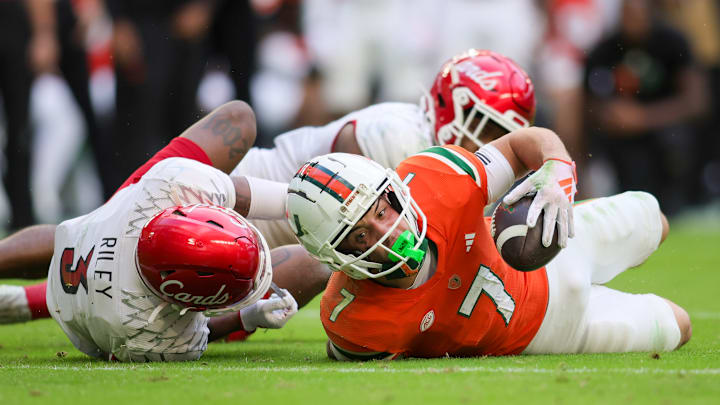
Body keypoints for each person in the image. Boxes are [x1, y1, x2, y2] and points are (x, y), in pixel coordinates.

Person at [0, 49, 532, 325]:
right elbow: (340, 212)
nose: (490, 142)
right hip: (250, 200)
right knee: (98, 231)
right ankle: (32, 284)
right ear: (450, 106)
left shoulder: (431, 147)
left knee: (315, 261)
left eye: (502, 135)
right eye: (488, 127)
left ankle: (26, 303)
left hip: (277, 247)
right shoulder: (392, 133)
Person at [286, 125, 692, 360]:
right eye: (360, 236)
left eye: (380, 212)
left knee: (655, 219)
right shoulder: (356, 322)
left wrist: (557, 169)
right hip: (546, 332)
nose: (386, 232)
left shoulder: (434, 179)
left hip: (555, 242)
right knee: (679, 325)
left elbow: (521, 143)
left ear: (393, 192)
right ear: (338, 255)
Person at [0, 101, 302, 361]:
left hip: (107, 235)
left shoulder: (168, 185)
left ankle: (25, 296)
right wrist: (248, 317)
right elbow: (203, 331)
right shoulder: (144, 332)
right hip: (83, 311)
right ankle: (26, 301)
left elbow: (237, 191)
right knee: (312, 269)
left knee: (238, 118)